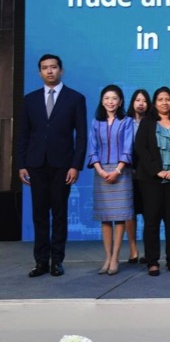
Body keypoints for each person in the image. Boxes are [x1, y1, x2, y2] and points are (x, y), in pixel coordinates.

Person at [18, 54, 87, 278]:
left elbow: (82, 136)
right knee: (39, 214)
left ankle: (57, 261)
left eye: (53, 67)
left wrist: (76, 165)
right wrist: (22, 164)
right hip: (36, 164)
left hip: (63, 165)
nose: (49, 71)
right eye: (45, 68)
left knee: (59, 213)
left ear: (61, 70)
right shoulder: (30, 99)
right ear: (39, 72)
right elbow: (23, 135)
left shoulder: (75, 98)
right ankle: (40, 262)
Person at [135, 87, 170, 276]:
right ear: (155, 103)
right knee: (151, 222)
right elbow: (141, 148)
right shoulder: (147, 123)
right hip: (151, 180)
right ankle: (152, 261)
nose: (164, 102)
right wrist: (157, 171)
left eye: (168, 99)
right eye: (160, 99)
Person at [87, 85, 134, 275]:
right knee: (105, 217)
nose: (110, 102)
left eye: (114, 98)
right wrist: (99, 170)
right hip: (101, 172)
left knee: (120, 216)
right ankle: (107, 257)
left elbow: (128, 148)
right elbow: (92, 148)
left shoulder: (127, 121)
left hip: (121, 172)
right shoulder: (96, 122)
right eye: (107, 98)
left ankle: (115, 257)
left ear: (120, 101)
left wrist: (117, 170)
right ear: (102, 101)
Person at [125, 89, 151, 264]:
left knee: (149, 213)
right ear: (132, 103)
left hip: (148, 173)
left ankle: (149, 250)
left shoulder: (152, 122)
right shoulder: (125, 122)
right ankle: (133, 249)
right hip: (128, 172)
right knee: (130, 212)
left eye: (144, 100)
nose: (141, 103)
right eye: (137, 100)